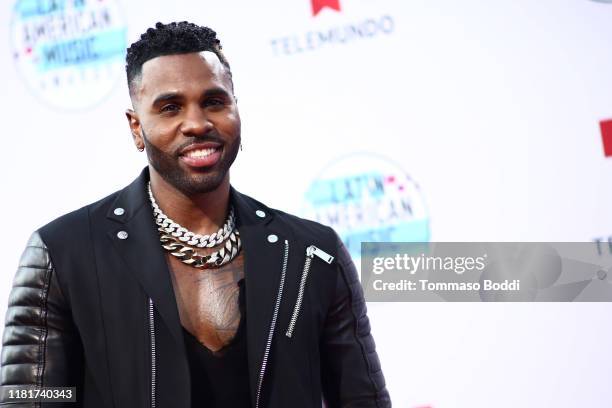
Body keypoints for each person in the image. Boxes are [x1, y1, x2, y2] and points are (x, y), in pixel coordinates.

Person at [0, 21, 391, 408]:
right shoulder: (62, 255)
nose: (198, 124)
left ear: (236, 108)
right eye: (170, 108)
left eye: (214, 102)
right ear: (137, 128)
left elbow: (362, 400)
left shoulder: (312, 253)